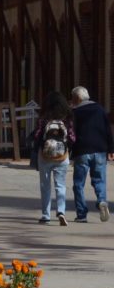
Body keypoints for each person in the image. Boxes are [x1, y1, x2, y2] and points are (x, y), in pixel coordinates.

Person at [70, 86, 114, 223]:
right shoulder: (100, 109)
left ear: (77, 98)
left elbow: (72, 133)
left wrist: (70, 150)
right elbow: (108, 131)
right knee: (99, 180)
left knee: (79, 184)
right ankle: (101, 201)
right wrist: (111, 149)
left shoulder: (75, 112)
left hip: (82, 151)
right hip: (100, 150)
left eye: (72, 98)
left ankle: (82, 214)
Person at [32, 91, 76, 226]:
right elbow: (72, 137)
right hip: (62, 156)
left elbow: (37, 136)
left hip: (45, 155)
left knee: (45, 186)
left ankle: (46, 215)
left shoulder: (44, 118)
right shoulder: (67, 118)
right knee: (60, 185)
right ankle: (61, 211)